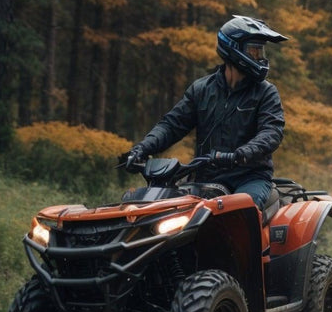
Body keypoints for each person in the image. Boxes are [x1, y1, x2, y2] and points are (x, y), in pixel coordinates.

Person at [122, 15, 288, 209]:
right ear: (234, 49)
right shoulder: (201, 89)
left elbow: (272, 132)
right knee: (167, 213)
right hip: (205, 178)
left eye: (261, 52)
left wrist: (241, 154)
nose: (260, 58)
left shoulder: (266, 92)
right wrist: (142, 149)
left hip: (249, 178)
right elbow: (172, 125)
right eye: (254, 51)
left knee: (242, 211)